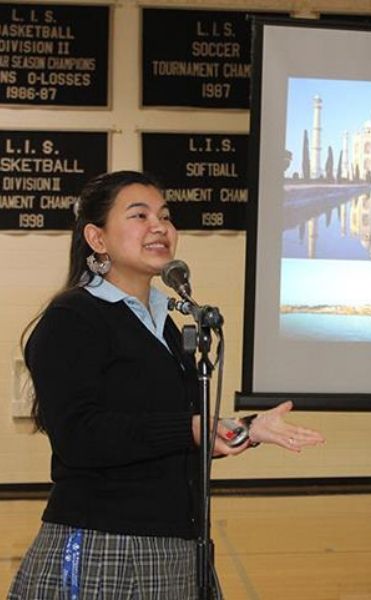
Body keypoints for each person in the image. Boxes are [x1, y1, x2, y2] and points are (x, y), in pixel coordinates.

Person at [8, 170, 325, 599]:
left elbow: (168, 433)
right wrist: (191, 428)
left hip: (177, 548)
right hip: (107, 551)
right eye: (139, 216)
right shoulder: (73, 318)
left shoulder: (167, 324)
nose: (160, 227)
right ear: (96, 239)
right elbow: (79, 436)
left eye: (166, 215)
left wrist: (244, 428)